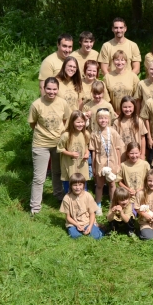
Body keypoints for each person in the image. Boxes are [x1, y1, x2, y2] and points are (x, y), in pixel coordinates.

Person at [29, 77, 72, 215]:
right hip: (41, 144)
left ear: (58, 89)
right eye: (48, 89)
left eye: (54, 89)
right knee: (39, 178)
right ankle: (35, 207)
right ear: (44, 88)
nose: (51, 92)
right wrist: (44, 133)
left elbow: (65, 119)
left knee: (57, 172)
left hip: (58, 144)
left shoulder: (62, 103)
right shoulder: (36, 104)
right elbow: (32, 123)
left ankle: (58, 195)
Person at [90, 108, 124, 215]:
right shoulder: (94, 134)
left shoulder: (113, 132)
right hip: (100, 162)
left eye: (105, 118)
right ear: (96, 119)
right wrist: (94, 166)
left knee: (112, 184)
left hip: (112, 161)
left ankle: (113, 204)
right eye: (100, 118)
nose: (103, 120)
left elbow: (118, 148)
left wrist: (118, 164)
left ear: (109, 119)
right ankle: (98, 204)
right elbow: (94, 151)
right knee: (99, 185)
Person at [61, 173, 103, 239]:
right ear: (71, 186)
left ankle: (97, 228)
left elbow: (92, 213)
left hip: (87, 222)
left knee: (96, 236)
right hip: (74, 223)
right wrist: (77, 225)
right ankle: (76, 230)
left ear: (84, 185)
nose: (77, 187)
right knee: (75, 236)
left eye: (80, 184)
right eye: (75, 185)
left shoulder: (88, 196)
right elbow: (68, 217)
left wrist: (90, 226)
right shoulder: (67, 198)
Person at [57, 110, 90, 194]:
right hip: (69, 165)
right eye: (78, 122)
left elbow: (86, 146)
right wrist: (70, 154)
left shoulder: (85, 134)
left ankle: (83, 201)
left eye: (82, 122)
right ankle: (69, 201)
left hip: (81, 165)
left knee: (82, 187)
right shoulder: (66, 135)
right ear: (72, 122)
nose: (80, 124)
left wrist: (87, 153)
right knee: (69, 188)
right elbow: (60, 148)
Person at [103, 50, 140, 114]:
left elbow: (137, 98)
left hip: (130, 114)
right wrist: (112, 112)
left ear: (126, 61)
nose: (119, 62)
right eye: (117, 60)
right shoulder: (107, 77)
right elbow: (105, 99)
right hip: (113, 114)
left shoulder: (133, 76)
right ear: (113, 61)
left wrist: (136, 113)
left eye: (122, 60)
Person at [135, 169, 153, 240]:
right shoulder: (140, 194)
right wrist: (145, 215)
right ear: (146, 181)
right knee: (149, 237)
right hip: (145, 221)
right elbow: (136, 208)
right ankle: (140, 231)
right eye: (150, 181)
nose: (152, 183)